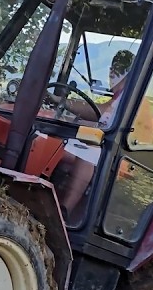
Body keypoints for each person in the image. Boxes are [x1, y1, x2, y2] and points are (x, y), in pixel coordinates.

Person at [55, 49, 135, 219]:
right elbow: (100, 118)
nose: (112, 72)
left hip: (124, 159)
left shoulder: (131, 100)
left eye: (118, 67)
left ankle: (63, 212)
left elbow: (100, 115)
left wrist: (63, 103)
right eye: (112, 66)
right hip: (109, 150)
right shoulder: (118, 98)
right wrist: (72, 120)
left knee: (87, 152)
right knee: (56, 145)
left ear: (129, 72)